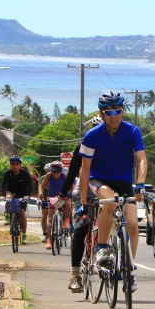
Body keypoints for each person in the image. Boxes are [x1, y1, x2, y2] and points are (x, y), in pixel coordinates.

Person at [78, 92, 147, 293]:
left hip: (124, 181)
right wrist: (83, 199)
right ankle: (101, 248)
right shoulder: (92, 136)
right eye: (109, 112)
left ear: (123, 111)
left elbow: (142, 159)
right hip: (99, 180)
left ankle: (129, 270)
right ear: (101, 113)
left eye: (118, 111)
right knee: (109, 202)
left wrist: (140, 183)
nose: (114, 116)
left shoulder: (132, 132)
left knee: (133, 225)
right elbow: (85, 170)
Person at [57, 115, 101, 293]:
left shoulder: (115, 147)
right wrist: (62, 194)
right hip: (84, 191)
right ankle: (75, 276)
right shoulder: (82, 149)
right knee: (81, 228)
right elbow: (73, 173)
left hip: (106, 190)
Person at [0, 155, 34, 245]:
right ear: (10, 165)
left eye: (17, 164)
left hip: (22, 194)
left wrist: (27, 196)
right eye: (12, 164)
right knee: (8, 198)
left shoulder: (25, 174)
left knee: (22, 213)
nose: (15, 166)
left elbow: (30, 186)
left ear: (20, 165)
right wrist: (1, 195)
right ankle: (7, 214)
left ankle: (24, 234)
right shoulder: (7, 173)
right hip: (11, 192)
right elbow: (2, 185)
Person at [40, 160, 72, 250]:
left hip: (63, 196)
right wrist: (41, 194)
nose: (56, 174)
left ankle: (66, 220)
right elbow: (41, 186)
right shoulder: (48, 175)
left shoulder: (65, 176)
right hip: (52, 197)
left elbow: (72, 187)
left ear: (61, 171)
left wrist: (73, 195)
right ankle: (49, 240)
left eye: (58, 171)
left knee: (68, 202)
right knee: (50, 218)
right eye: (54, 171)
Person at [38, 164, 51, 241]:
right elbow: (40, 188)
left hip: (54, 197)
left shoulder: (55, 177)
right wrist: (40, 197)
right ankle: (44, 233)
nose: (48, 173)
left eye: (49, 171)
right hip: (45, 197)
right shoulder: (43, 178)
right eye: (46, 171)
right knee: (44, 214)